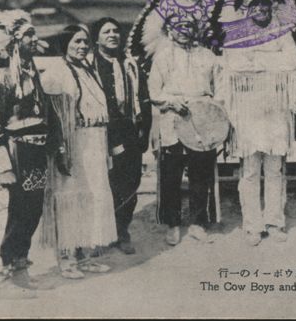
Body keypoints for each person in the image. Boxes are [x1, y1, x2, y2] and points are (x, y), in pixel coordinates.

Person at [0, 9, 59, 297]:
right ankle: (6, 270)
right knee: (13, 211)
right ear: (14, 41)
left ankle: (20, 264)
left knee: (32, 209)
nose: (35, 38)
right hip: (15, 152)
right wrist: (4, 167)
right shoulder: (2, 77)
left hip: (35, 150)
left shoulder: (31, 71)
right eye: (29, 35)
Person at [217, 0, 296, 246]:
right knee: (251, 169)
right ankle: (252, 225)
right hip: (248, 110)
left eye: (265, 7)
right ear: (247, 10)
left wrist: (256, 60)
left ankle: (275, 222)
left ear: (272, 9)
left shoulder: (283, 33)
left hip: (276, 109)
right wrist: (269, 61)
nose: (261, 11)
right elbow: (235, 66)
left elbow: (291, 62)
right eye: (255, 7)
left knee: (275, 168)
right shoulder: (236, 36)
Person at [40, 25, 116, 279]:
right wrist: (61, 149)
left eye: (85, 42)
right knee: (71, 197)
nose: (82, 46)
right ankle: (67, 259)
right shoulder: (57, 72)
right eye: (76, 42)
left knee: (93, 196)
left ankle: (85, 255)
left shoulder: (89, 70)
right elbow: (53, 116)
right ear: (65, 44)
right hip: (73, 143)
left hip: (95, 141)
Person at [147, 14, 221, 246]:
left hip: (203, 120)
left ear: (196, 28)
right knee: (172, 174)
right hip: (173, 117)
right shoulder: (162, 57)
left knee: (201, 172)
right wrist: (170, 101)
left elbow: (220, 88)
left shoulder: (207, 56)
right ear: (170, 28)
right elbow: (154, 91)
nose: (183, 29)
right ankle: (173, 223)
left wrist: (212, 110)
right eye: (178, 25)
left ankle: (198, 223)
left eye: (188, 25)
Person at [91, 17, 151, 255]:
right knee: (102, 183)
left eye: (116, 31)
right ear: (96, 38)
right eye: (106, 31)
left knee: (129, 183)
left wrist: (144, 132)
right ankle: (98, 236)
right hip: (100, 131)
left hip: (128, 129)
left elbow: (143, 99)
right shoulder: (91, 64)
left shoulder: (130, 65)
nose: (112, 35)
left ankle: (121, 231)